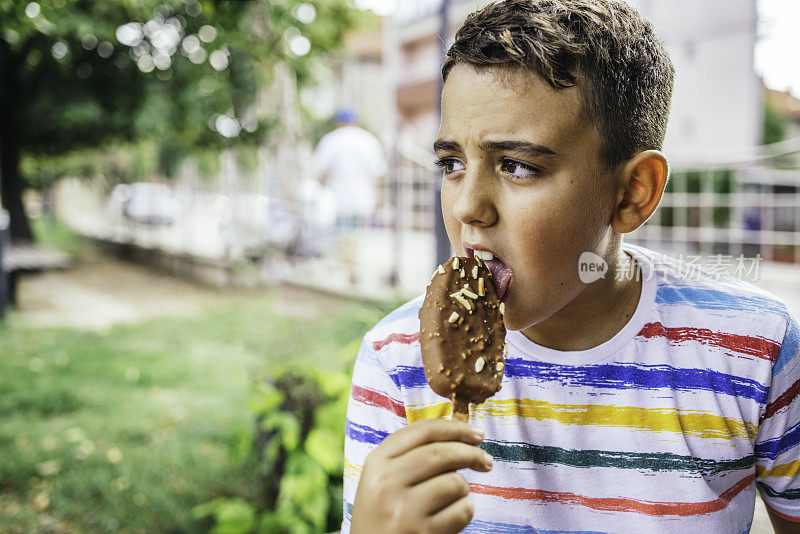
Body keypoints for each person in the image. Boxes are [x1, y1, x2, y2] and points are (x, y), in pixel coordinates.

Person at [341, 1, 800, 533]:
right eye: (452, 163)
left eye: (518, 166)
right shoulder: (395, 363)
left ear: (633, 193)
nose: (468, 206)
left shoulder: (754, 351)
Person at [311, 108, 387, 230]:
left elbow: (320, 172)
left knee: (339, 242)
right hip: (365, 201)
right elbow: (378, 174)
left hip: (337, 202)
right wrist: (379, 202)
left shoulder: (330, 140)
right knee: (361, 241)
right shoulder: (369, 140)